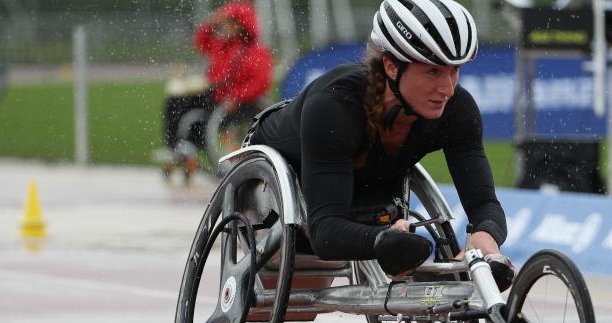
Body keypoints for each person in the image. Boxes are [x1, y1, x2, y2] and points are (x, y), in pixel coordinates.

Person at [248, 0, 513, 287]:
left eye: (454, 70)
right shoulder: (334, 108)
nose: (448, 88)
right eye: (433, 71)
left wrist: (485, 234)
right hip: (273, 191)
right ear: (391, 67)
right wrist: (381, 240)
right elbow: (324, 231)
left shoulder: (457, 110)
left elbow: (485, 202)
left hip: (365, 184)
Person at [161, 0, 273, 176]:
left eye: (230, 22)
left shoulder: (257, 52)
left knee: (201, 116)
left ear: (241, 25)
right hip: (216, 97)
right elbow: (200, 42)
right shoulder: (222, 45)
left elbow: (261, 83)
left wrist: (237, 97)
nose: (226, 26)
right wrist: (212, 21)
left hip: (239, 104)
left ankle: (189, 145)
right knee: (175, 102)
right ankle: (178, 147)